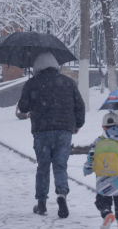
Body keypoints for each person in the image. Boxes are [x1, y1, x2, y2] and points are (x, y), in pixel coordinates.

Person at [17, 52, 85, 218]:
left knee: (43, 166)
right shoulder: (68, 83)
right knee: (60, 165)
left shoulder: (32, 83)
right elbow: (80, 106)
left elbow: (23, 108)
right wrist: (77, 124)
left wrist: (30, 96)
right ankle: (61, 193)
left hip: (42, 131)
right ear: (56, 66)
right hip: (64, 131)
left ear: (37, 68)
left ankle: (41, 203)